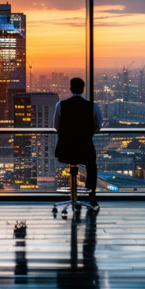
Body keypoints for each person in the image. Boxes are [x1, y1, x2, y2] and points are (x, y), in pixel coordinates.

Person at [54, 77, 102, 207]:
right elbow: (98, 127)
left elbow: (56, 127)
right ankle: (91, 194)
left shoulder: (60, 105)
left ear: (70, 89)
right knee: (91, 166)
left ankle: (73, 196)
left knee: (76, 162)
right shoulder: (92, 106)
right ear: (83, 89)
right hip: (85, 150)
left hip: (65, 150)